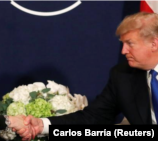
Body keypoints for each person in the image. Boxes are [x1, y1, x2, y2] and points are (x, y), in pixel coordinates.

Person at [17, 11, 158, 139]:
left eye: (130, 43)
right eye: (123, 44)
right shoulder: (123, 75)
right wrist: (42, 125)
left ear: (154, 44)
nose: (123, 51)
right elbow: (95, 117)